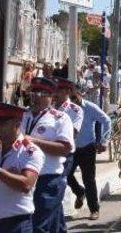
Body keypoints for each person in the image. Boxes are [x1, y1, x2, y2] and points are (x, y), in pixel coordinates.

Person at [21, 77, 74, 233]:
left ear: (52, 96)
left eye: (42, 93)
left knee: (38, 227)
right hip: (26, 177)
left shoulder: (60, 118)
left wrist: (34, 142)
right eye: (34, 92)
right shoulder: (23, 116)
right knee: (54, 226)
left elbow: (65, 148)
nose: (36, 96)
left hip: (48, 179)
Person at [0, 103, 44, 232]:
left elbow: (26, 185)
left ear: (17, 124)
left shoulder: (30, 151)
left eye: (3, 124)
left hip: (16, 224)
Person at [66, 83, 111, 220]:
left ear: (80, 94)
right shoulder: (66, 108)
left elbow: (106, 120)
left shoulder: (90, 107)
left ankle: (94, 209)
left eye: (74, 97)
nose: (73, 101)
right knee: (65, 174)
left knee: (89, 179)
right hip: (71, 148)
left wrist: (103, 140)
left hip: (87, 148)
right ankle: (80, 192)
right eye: (70, 98)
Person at [51, 77, 84, 232]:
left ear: (67, 91)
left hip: (64, 155)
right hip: (46, 155)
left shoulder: (75, 110)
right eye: (54, 90)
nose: (54, 93)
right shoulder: (47, 108)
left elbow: (73, 134)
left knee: (56, 193)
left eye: (58, 90)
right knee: (51, 196)